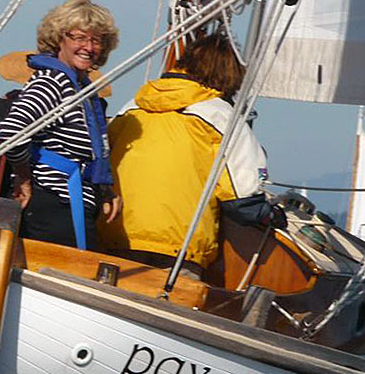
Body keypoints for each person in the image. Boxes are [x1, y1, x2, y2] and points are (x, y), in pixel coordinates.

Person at [98, 31, 271, 275]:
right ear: (230, 76)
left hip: (117, 235)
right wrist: (270, 215)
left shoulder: (133, 106)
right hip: (179, 246)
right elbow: (244, 198)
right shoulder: (221, 116)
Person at [0, 0, 121, 249]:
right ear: (59, 39)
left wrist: (105, 188)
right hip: (53, 205)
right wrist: (24, 178)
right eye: (79, 38)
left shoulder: (82, 89)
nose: (88, 47)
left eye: (96, 40)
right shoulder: (52, 82)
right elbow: (11, 131)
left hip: (72, 203)